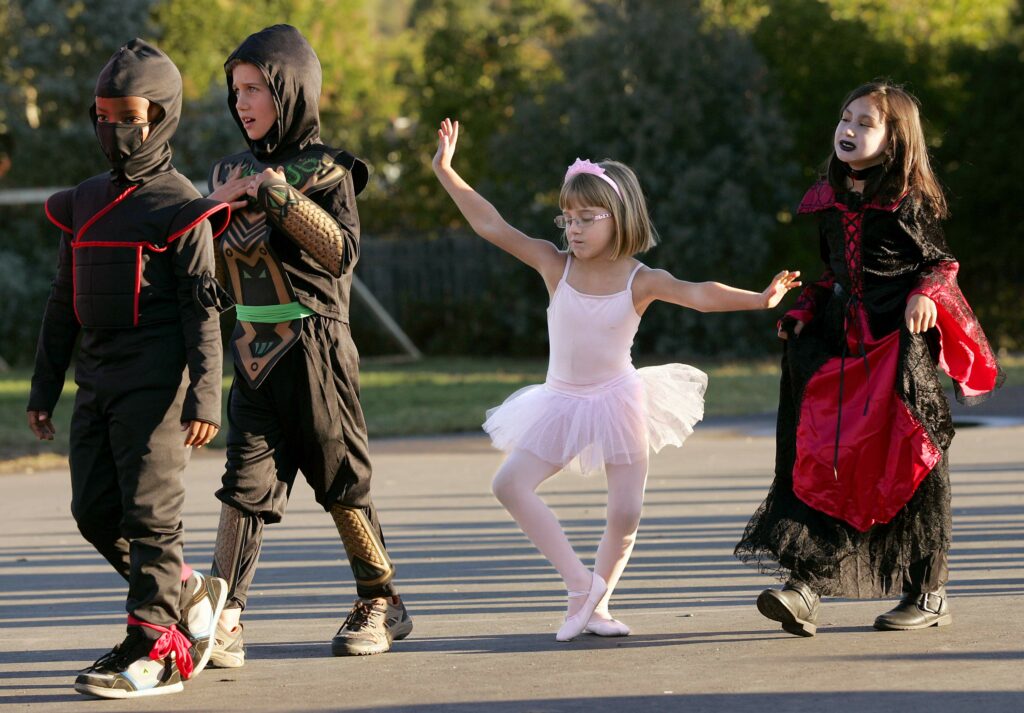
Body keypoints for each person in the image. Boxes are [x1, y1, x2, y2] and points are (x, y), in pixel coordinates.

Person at [432, 118, 800, 641]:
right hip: (559, 400)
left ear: (619, 216)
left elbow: (699, 292)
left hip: (619, 399)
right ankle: (581, 587)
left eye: (586, 217)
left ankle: (597, 608)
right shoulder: (554, 266)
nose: (574, 228)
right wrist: (447, 172)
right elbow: (492, 226)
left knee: (625, 512)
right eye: (567, 219)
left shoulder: (640, 279)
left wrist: (759, 299)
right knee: (509, 484)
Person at [734, 81, 1004, 637]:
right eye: (845, 117)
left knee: (912, 461)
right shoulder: (826, 200)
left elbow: (939, 263)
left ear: (895, 140)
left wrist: (926, 294)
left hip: (898, 347)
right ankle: (805, 589)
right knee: (819, 455)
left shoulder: (909, 200)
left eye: (865, 122)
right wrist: (805, 309)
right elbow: (832, 273)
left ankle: (928, 593)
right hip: (839, 346)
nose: (848, 129)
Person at [26, 39, 231, 698]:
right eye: (103, 116)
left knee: (150, 518)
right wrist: (43, 388)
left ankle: (159, 647)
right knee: (93, 511)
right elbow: (63, 303)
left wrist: (206, 396)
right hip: (97, 380)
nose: (114, 131)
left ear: (162, 117)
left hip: (158, 386)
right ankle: (189, 591)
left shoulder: (179, 206)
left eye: (129, 117)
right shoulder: (84, 202)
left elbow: (204, 312)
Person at [204, 24, 411, 662]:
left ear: (290, 91)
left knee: (340, 477)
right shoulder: (227, 170)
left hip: (317, 347)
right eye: (236, 89)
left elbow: (342, 252)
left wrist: (274, 193)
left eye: (256, 88)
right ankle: (226, 615)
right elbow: (208, 268)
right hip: (251, 350)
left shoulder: (329, 169)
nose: (242, 102)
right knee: (245, 484)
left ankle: (381, 601)